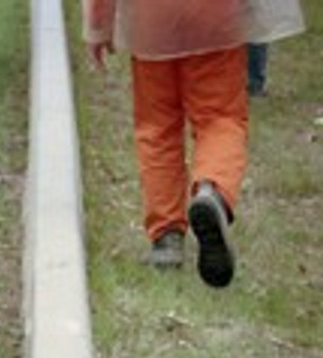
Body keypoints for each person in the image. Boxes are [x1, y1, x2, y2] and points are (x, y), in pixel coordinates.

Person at [82, 0, 305, 288]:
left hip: (150, 19)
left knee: (157, 127)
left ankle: (166, 236)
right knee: (219, 118)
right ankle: (212, 190)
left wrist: (98, 26)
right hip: (215, 15)